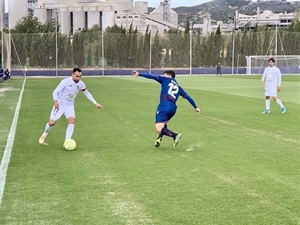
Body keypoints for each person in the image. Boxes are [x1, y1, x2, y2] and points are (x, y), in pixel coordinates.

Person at [132, 70, 200, 147]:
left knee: (158, 128)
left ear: (167, 75)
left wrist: (139, 74)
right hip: (173, 108)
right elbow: (188, 97)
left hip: (164, 105)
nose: (162, 76)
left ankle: (175, 135)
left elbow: (152, 76)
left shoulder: (165, 79)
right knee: (164, 124)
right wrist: (196, 107)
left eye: (163, 75)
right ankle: (159, 139)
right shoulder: (178, 87)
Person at [39, 67, 103, 146]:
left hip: (69, 105)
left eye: (80, 76)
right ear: (72, 74)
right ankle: (45, 133)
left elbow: (87, 93)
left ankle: (67, 141)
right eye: (77, 76)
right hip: (60, 104)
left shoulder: (81, 84)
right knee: (52, 123)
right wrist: (55, 101)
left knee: (71, 120)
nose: (78, 78)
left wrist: (95, 103)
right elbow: (55, 91)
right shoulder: (65, 81)